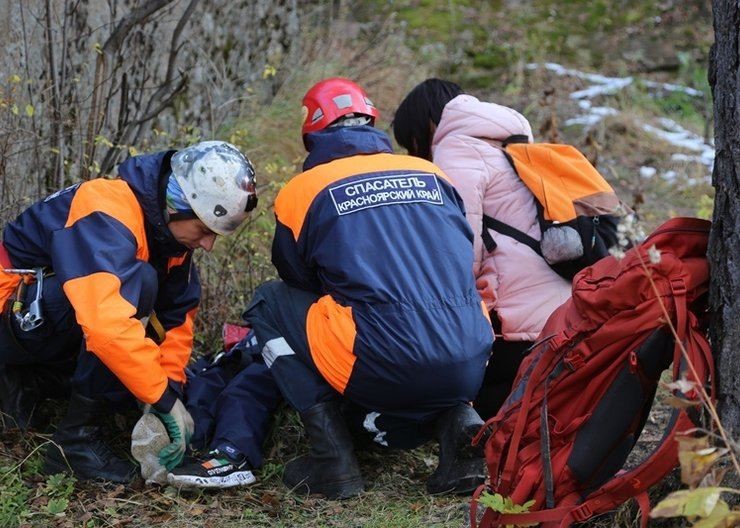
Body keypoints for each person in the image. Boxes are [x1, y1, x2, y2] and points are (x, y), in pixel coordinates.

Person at [243, 77, 494, 499]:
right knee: (436, 319)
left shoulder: (304, 190)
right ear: (373, 122)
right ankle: (458, 424)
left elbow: (297, 279)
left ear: (312, 134)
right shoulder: (433, 174)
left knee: (269, 302)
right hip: (471, 358)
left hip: (378, 363)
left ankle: (332, 460)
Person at [0, 140, 258, 483]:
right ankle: (75, 443)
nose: (208, 244)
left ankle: (33, 384)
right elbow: (105, 325)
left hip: (39, 328)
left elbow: (177, 318)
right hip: (10, 317)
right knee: (136, 286)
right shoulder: (107, 208)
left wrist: (169, 387)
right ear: (178, 205)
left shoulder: (169, 236)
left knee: (140, 324)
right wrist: (163, 400)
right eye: (205, 230)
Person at [392, 79, 572, 420]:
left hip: (516, 325)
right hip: (561, 310)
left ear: (424, 128)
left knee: (478, 410)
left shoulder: (456, 152)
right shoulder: (508, 142)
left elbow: (459, 250)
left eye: (411, 143)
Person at [165, 327, 282, 488]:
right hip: (246, 347)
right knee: (204, 384)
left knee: (244, 390)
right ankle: (188, 446)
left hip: (278, 353)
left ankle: (233, 455)